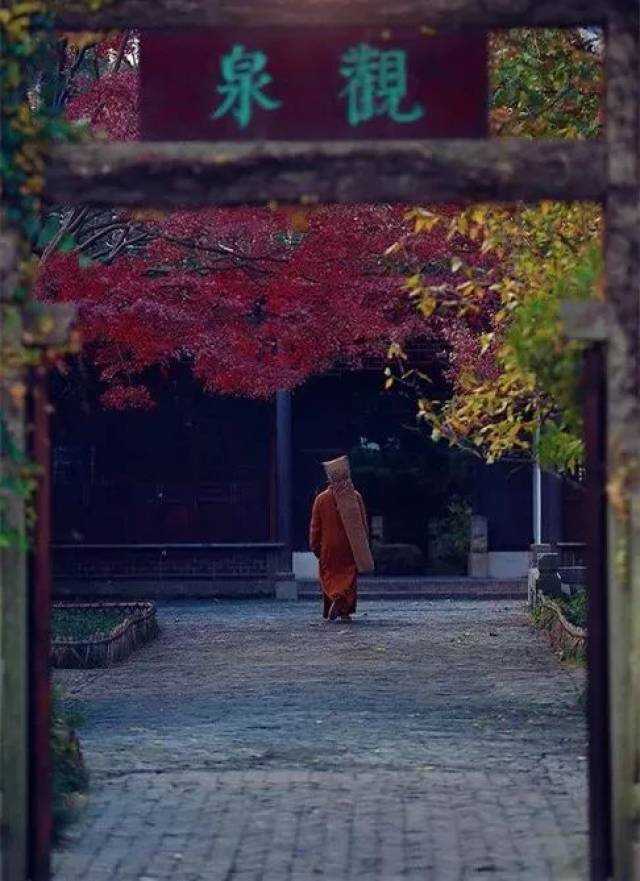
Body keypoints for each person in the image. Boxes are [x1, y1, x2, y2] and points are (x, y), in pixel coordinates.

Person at [309, 455, 371, 622]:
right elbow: (362, 523)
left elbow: (315, 528)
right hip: (350, 546)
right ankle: (344, 608)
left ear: (330, 477)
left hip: (328, 547)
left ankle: (335, 597)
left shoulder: (321, 499)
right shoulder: (355, 496)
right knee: (348, 576)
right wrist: (363, 545)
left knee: (329, 576)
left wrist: (315, 547)